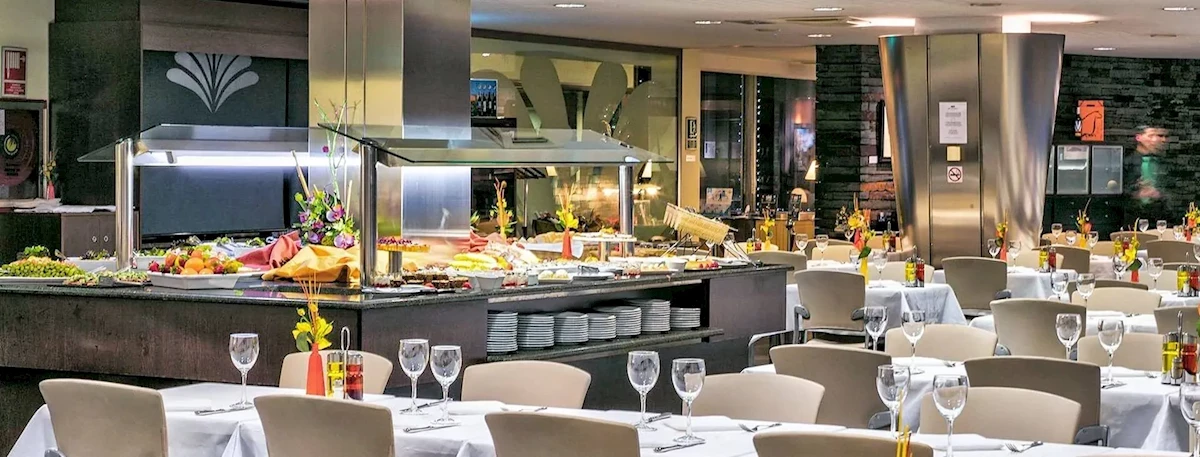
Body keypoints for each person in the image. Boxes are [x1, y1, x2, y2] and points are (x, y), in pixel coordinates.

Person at [1124, 125, 1169, 227]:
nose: (1154, 140)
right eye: (1150, 136)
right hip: (1134, 217)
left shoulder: (1160, 161)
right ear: (1139, 137)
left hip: (1158, 216)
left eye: (1155, 136)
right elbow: (1118, 190)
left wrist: (1159, 193)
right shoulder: (1127, 162)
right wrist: (1137, 193)